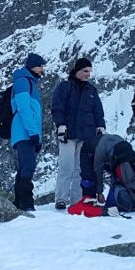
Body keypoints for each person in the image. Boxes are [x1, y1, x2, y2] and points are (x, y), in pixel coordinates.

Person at [51, 57, 106, 209]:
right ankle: (61, 198)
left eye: (90, 71)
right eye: (85, 71)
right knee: (66, 166)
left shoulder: (92, 91)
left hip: (86, 136)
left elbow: (97, 111)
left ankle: (76, 199)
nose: (88, 74)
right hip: (68, 134)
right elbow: (57, 107)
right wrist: (61, 126)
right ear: (78, 71)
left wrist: (101, 127)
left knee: (80, 169)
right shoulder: (65, 87)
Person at [10, 53, 46, 211]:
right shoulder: (23, 82)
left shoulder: (28, 82)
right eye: (40, 66)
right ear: (32, 66)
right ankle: (26, 203)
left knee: (25, 166)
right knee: (28, 166)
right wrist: (33, 132)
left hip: (25, 132)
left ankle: (19, 203)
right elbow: (23, 108)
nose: (42, 69)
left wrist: (37, 136)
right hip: (24, 132)